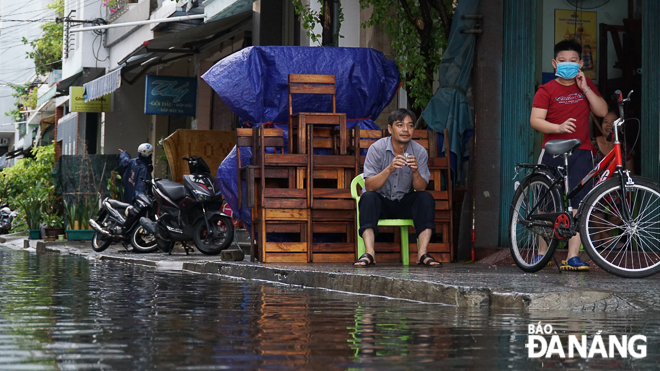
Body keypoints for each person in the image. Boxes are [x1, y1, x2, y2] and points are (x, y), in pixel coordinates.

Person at [530, 39, 608, 271]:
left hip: (582, 151)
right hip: (553, 151)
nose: (567, 65)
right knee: (545, 204)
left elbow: (602, 111)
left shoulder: (586, 85)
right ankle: (541, 254)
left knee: (580, 204)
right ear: (555, 64)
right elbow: (535, 120)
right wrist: (558, 128)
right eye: (562, 61)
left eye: (573, 61)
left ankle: (573, 256)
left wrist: (585, 88)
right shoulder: (546, 90)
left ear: (581, 63)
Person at [353, 108, 440, 267]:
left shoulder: (419, 151)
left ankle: (422, 254)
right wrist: (389, 169)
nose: (405, 130)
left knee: (426, 198)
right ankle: (370, 253)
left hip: (403, 201)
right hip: (381, 202)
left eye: (410, 125)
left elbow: (420, 188)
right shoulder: (377, 149)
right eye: (400, 125)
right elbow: (369, 186)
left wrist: (415, 172)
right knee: (367, 197)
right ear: (390, 129)